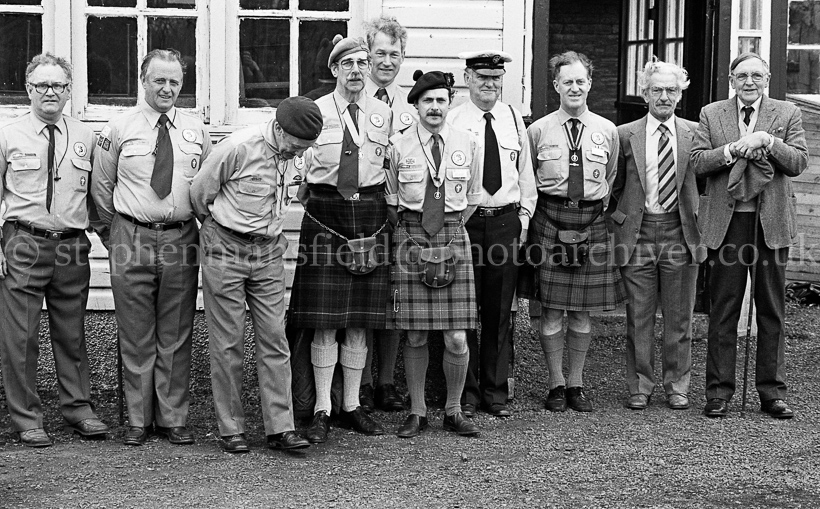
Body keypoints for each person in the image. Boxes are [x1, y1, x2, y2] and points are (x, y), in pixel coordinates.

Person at [91, 49, 211, 446]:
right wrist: (115, 234)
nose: (167, 88)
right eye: (159, 80)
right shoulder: (118, 128)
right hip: (131, 235)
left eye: (175, 81)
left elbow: (207, 186)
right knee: (136, 331)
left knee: (176, 330)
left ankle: (172, 418)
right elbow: (101, 188)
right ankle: (138, 419)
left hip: (180, 237)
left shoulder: (195, 130)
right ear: (143, 81)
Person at [190, 97, 321, 453]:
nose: (298, 153)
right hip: (226, 247)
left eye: (304, 148)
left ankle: (281, 428)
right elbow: (199, 195)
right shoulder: (237, 147)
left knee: (274, 338)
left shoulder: (301, 153)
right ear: (278, 128)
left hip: (268, 251)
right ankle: (231, 428)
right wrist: (220, 236)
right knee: (228, 341)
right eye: (294, 145)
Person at [690, 52, 808, 419]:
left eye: (757, 75)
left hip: (770, 224)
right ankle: (718, 392)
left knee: (770, 309)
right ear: (731, 80)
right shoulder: (712, 113)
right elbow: (697, 162)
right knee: (724, 308)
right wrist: (730, 150)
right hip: (726, 225)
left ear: (767, 79)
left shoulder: (787, 113)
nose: (749, 82)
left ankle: (772, 393)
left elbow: (799, 162)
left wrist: (767, 141)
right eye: (742, 76)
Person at [0, 53, 109, 447]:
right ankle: (27, 418)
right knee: (21, 337)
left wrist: (110, 239)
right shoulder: (8, 135)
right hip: (23, 241)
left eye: (58, 85)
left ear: (68, 91)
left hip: (70, 246)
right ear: (28, 89)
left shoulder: (85, 136)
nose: (50, 92)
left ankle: (78, 409)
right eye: (42, 85)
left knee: (71, 333)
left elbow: (96, 196)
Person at [288, 34, 391, 443]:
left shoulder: (385, 114)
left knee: (360, 323)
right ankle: (321, 409)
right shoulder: (315, 112)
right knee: (324, 323)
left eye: (362, 63)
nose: (356, 71)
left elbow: (392, 170)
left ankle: (351, 405)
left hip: (369, 214)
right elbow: (297, 170)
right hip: (325, 215)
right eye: (347, 64)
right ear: (334, 69)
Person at [386, 69, 483, 438]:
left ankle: (454, 410)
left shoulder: (468, 142)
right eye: (427, 100)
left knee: (456, 336)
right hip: (411, 234)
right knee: (414, 334)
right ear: (416, 105)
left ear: (450, 102)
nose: (435, 107)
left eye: (441, 99)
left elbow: (473, 198)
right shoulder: (398, 145)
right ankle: (417, 411)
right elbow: (391, 201)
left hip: (454, 232)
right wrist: (416, 233)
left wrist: (449, 229)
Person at [526, 51, 624, 413]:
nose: (574, 87)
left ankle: (576, 384)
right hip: (549, 219)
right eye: (567, 81)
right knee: (551, 309)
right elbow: (528, 179)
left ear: (590, 84)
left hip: (590, 220)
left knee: (583, 311)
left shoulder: (607, 130)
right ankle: (555, 384)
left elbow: (610, 177)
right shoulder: (538, 130)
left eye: (580, 81)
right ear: (556, 85)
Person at [608, 58, 703, 411]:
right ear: (645, 93)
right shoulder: (624, 134)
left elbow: (708, 182)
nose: (664, 96)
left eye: (672, 90)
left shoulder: (696, 133)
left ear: (680, 94)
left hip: (681, 232)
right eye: (657, 89)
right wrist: (621, 220)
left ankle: (677, 384)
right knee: (639, 316)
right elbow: (614, 186)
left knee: (680, 317)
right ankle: (640, 384)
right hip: (639, 232)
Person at [449, 50, 536, 418]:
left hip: (504, 221)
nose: (489, 84)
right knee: (465, 310)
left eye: (496, 78)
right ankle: (466, 394)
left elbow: (525, 174)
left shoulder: (513, 118)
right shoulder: (453, 119)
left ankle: (495, 392)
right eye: (482, 77)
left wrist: (523, 221)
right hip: (467, 221)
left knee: (500, 310)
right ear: (467, 78)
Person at [357, 14, 417, 413]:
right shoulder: (353, 100)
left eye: (394, 54)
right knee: (364, 292)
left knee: (395, 294)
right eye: (380, 53)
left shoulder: (411, 106)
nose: (387, 61)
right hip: (363, 208)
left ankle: (386, 382)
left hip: (400, 213)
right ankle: (359, 382)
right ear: (368, 54)